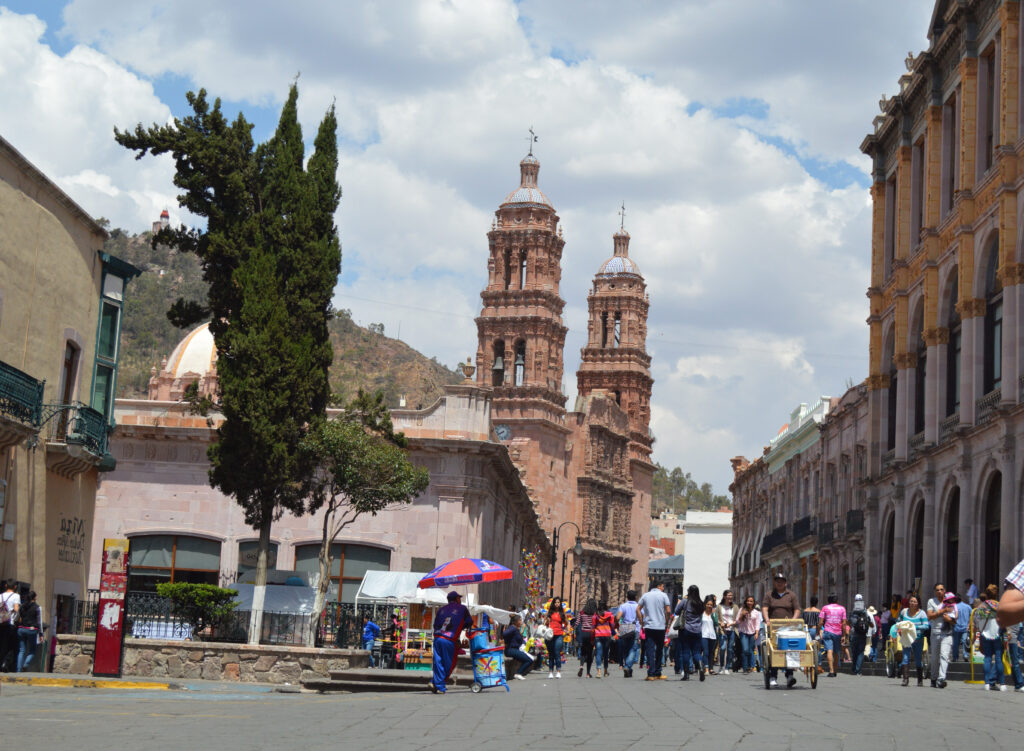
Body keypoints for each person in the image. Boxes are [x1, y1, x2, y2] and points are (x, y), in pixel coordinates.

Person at [761, 572, 801, 688]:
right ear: (775, 582)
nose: (779, 583)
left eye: (781, 581)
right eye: (777, 581)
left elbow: (797, 609)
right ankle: (773, 676)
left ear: (785, 583)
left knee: (789, 649)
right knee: (774, 650)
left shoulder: (791, 595)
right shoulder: (769, 595)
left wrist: (793, 620)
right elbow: (765, 608)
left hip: (788, 626)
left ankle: (789, 675)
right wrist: (767, 620)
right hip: (773, 626)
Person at [429, 591, 473, 694]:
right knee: (450, 664)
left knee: (438, 662)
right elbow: (470, 622)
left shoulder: (441, 610)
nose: (460, 600)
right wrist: (461, 626)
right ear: (457, 599)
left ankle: (435, 683)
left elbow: (435, 625)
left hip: (437, 637)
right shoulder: (462, 608)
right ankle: (439, 685)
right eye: (459, 598)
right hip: (449, 639)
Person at [637, 580, 672, 681]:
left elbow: (638, 609)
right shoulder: (663, 595)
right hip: (660, 626)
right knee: (659, 650)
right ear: (659, 586)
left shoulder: (646, 595)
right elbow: (668, 610)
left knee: (650, 650)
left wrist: (641, 621)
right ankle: (658, 672)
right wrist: (666, 620)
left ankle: (650, 674)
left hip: (649, 626)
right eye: (662, 586)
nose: (663, 588)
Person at [974, 586, 1006, 691]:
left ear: (986, 594)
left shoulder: (981, 607)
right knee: (998, 659)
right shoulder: (1000, 606)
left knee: (987, 658)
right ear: (996, 594)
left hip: (985, 634)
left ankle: (987, 683)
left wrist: (976, 633)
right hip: (997, 634)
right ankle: (1002, 684)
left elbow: (976, 621)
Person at [925, 583, 955, 688]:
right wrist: (942, 611)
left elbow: (955, 618)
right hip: (935, 632)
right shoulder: (931, 601)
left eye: (941, 589)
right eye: (937, 590)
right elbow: (929, 616)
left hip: (947, 633)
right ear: (935, 591)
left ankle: (941, 679)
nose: (939, 591)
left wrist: (950, 620)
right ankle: (933, 677)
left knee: (944, 656)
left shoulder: (950, 601)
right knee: (935, 657)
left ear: (945, 590)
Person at [897, 594, 929, 687]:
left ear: (918, 603)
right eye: (911, 601)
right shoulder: (903, 612)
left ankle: (920, 680)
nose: (912, 603)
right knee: (905, 657)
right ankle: (905, 679)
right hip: (906, 638)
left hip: (918, 639)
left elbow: (926, 626)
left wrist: (914, 627)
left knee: (918, 659)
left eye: (915, 602)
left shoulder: (922, 613)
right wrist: (898, 629)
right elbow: (898, 622)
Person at [674, 584, 705, 681]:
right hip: (698, 630)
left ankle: (686, 674)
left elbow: (676, 611)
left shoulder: (685, 602)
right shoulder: (701, 603)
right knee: (696, 652)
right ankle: (700, 666)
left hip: (686, 630)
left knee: (686, 652)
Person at [819, 593, 846, 678]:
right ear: (837, 600)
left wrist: (819, 630)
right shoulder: (842, 609)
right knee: (836, 652)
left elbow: (820, 622)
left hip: (827, 631)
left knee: (829, 651)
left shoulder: (825, 608)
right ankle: (835, 670)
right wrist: (844, 635)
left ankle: (831, 670)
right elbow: (844, 623)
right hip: (838, 633)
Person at [616, 590, 640, 678]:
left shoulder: (623, 606)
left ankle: (629, 669)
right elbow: (643, 617)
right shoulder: (638, 606)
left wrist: (617, 624)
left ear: (627, 597)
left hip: (624, 629)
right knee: (633, 649)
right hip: (635, 629)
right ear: (635, 597)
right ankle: (627, 666)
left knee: (626, 649)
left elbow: (618, 617)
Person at [502, 614, 534, 680]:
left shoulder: (515, 629)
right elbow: (504, 634)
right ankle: (518, 673)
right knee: (529, 660)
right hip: (511, 650)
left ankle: (518, 673)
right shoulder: (513, 628)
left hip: (515, 649)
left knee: (528, 658)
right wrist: (506, 642)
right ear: (515, 621)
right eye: (520, 620)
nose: (521, 622)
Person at [15, 590, 40, 673]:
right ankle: (25, 665)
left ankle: (18, 670)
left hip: (21, 629)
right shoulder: (37, 607)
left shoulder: (22, 606)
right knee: (32, 650)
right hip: (31, 630)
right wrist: (41, 633)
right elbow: (39, 621)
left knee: (21, 650)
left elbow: (18, 617)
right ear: (35, 597)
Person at [736, 594, 762, 673]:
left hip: (752, 633)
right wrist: (742, 615)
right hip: (743, 632)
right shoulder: (741, 609)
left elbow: (757, 624)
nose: (749, 603)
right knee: (745, 649)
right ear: (746, 602)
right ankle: (745, 667)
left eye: (751, 601)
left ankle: (751, 666)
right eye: (748, 601)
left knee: (751, 650)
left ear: (753, 603)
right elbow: (737, 621)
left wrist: (757, 633)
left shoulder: (756, 612)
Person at [848, 594, 872, 675]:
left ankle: (854, 668)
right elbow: (869, 621)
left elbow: (851, 622)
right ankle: (858, 670)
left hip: (854, 634)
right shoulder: (865, 611)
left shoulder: (853, 611)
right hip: (862, 634)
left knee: (854, 652)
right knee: (861, 652)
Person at [0, 580, 20, 673]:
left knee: (2, 644)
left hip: (1, 623)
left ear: (5, 585)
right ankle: (5, 663)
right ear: (15, 587)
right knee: (11, 645)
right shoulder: (16, 596)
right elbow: (16, 609)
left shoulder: (1, 596)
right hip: (10, 623)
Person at [717, 590, 737, 674]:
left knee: (730, 649)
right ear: (724, 596)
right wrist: (720, 622)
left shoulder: (735, 607)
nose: (730, 597)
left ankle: (727, 667)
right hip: (722, 630)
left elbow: (738, 619)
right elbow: (716, 617)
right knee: (722, 648)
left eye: (731, 595)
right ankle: (721, 665)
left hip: (732, 629)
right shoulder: (719, 606)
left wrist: (732, 623)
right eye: (729, 595)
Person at [575, 599, 597, 678]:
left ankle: (581, 666)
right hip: (591, 633)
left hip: (583, 633)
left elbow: (577, 623)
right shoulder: (595, 614)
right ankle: (588, 673)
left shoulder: (581, 613)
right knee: (590, 653)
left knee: (583, 652)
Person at [546, 598, 567, 679]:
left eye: (558, 602)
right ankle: (550, 672)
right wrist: (547, 620)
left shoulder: (562, 613)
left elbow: (566, 623)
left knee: (557, 653)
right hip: (550, 635)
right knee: (551, 654)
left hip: (559, 635)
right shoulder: (549, 612)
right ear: (553, 603)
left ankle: (558, 671)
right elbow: (545, 622)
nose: (557, 604)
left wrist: (567, 630)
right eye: (555, 602)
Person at [593, 601, 614, 678]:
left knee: (598, 653)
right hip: (607, 635)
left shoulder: (596, 614)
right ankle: (605, 671)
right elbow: (612, 626)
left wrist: (592, 636)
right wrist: (613, 633)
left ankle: (599, 672)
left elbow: (593, 626)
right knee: (606, 654)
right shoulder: (610, 615)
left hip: (598, 635)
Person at [700, 596, 718, 678]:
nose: (709, 606)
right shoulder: (701, 613)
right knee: (706, 652)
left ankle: (711, 668)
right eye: (708, 604)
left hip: (712, 635)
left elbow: (716, 623)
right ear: (705, 604)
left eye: (711, 605)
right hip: (703, 635)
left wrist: (713, 615)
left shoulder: (714, 614)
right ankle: (706, 668)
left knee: (711, 653)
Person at [953, 594, 971, 661]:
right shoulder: (968, 607)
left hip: (956, 627)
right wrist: (969, 625)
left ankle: (955, 657)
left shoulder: (954, 607)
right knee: (965, 642)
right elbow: (972, 616)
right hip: (965, 627)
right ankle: (965, 655)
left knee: (956, 643)